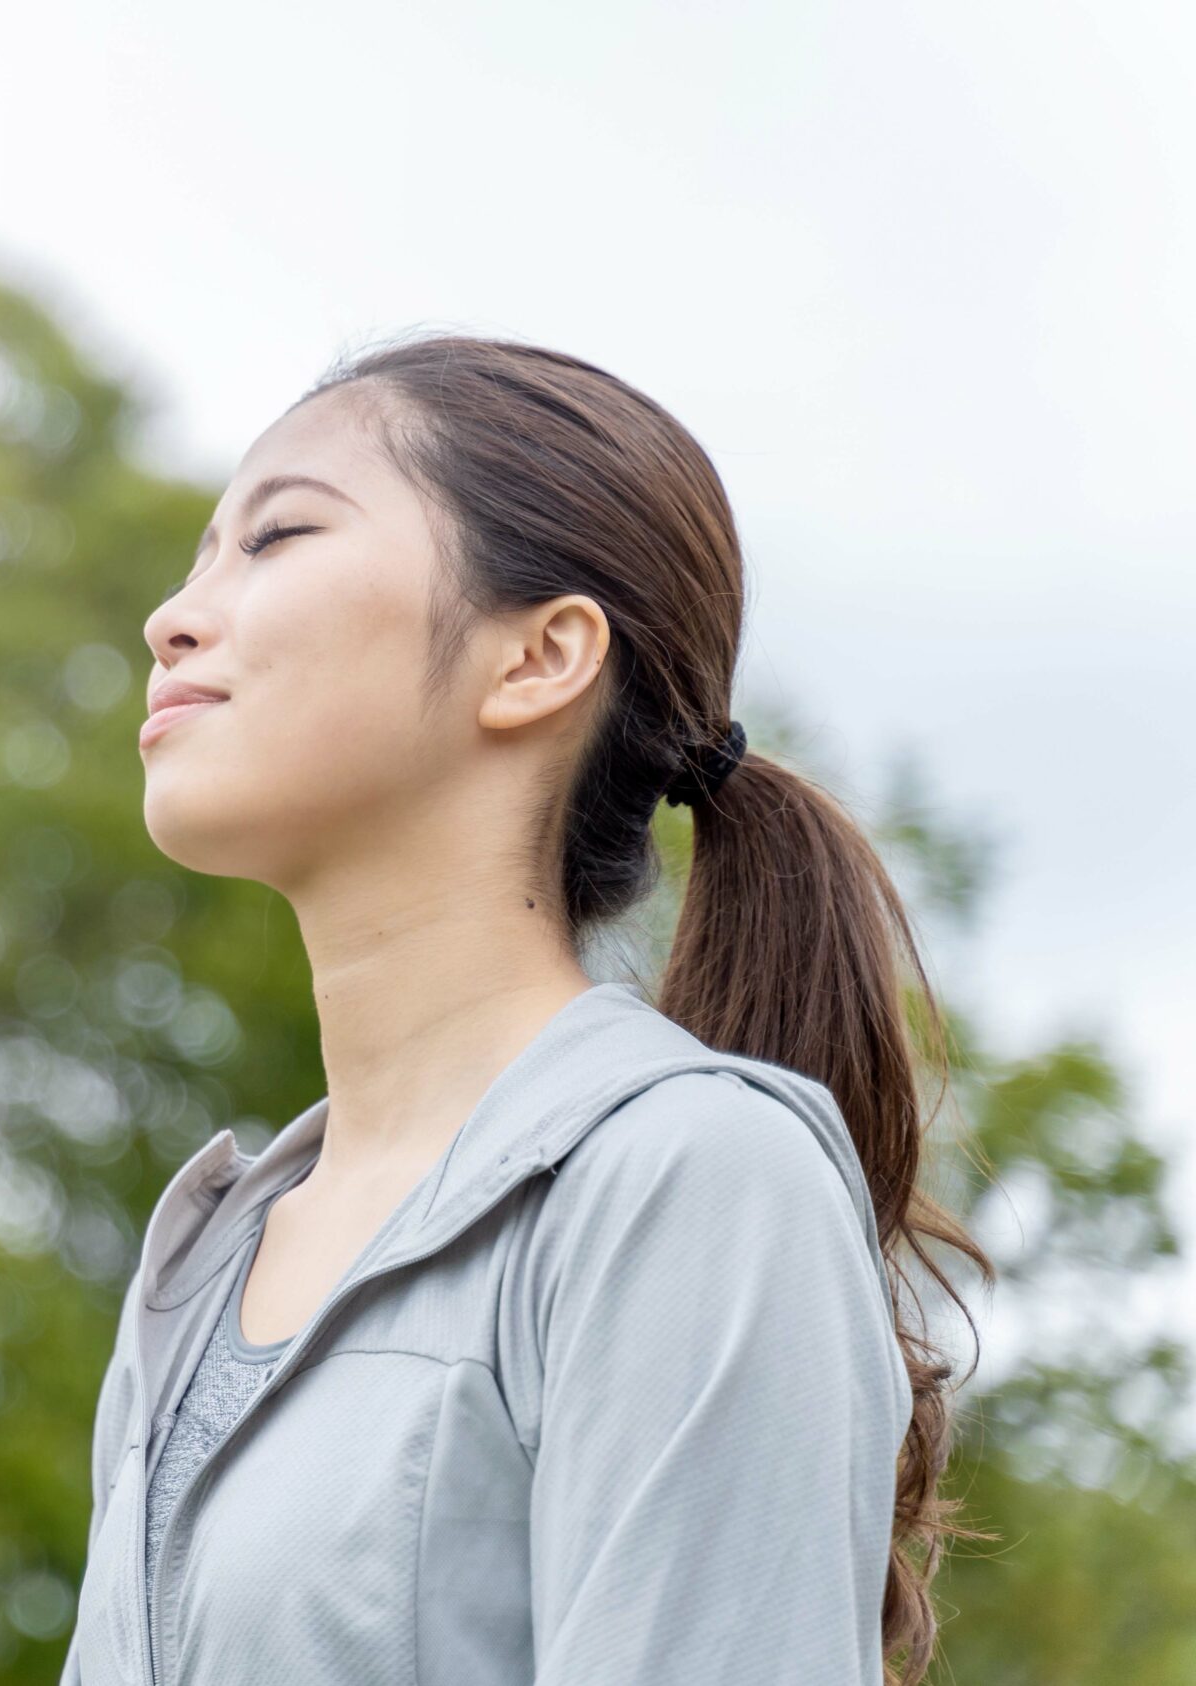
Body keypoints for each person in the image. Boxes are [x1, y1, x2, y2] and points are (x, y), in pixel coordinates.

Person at [60, 334, 993, 1686]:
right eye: (201, 552)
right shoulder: (203, 1270)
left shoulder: (685, 1180)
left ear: (541, 656)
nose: (175, 615)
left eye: (276, 538)